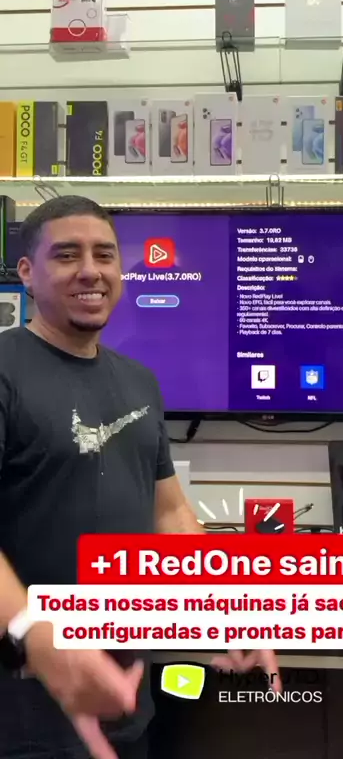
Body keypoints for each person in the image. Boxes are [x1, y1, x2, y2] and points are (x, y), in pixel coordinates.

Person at [0, 195, 281, 759]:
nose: (90, 270)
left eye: (104, 254)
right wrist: (35, 633)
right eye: (66, 255)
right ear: (26, 272)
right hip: (22, 708)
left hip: (124, 697)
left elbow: (169, 513)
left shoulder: (139, 382)